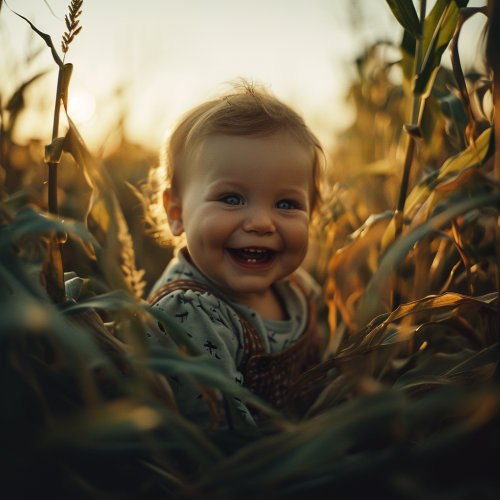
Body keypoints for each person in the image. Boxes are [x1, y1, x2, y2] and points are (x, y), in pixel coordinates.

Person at [145, 81, 326, 428]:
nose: (261, 223)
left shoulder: (298, 287)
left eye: (286, 204)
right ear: (176, 212)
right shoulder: (187, 314)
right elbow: (221, 437)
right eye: (231, 199)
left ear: (312, 214)